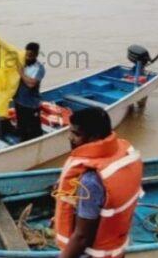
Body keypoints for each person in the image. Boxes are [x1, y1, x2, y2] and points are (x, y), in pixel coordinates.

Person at [54, 107, 142, 258]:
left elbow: (82, 238)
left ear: (93, 137)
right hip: (116, 241)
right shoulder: (124, 150)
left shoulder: (91, 180)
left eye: (76, 134)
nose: (70, 137)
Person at [14, 42, 45, 141]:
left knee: (35, 130)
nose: (27, 58)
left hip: (31, 104)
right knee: (22, 128)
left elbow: (31, 84)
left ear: (36, 55)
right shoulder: (22, 64)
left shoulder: (39, 68)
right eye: (26, 55)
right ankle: (23, 143)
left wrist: (21, 73)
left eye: (30, 56)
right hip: (19, 102)